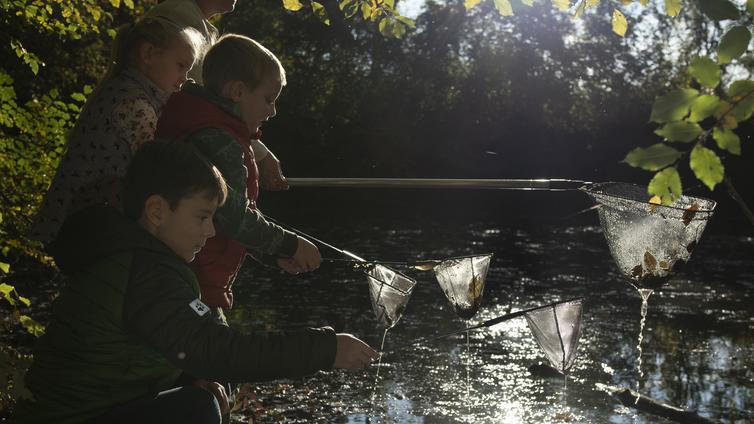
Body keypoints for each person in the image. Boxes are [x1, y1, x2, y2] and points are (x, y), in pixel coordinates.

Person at [14, 142, 378, 424]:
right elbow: (215, 350)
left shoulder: (136, 257)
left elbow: (183, 341)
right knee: (196, 409)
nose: (210, 230)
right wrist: (325, 349)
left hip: (95, 409)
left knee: (199, 395)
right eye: (202, 217)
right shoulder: (144, 271)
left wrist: (190, 375)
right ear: (157, 211)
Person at [155, 34, 319, 312]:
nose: (273, 111)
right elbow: (233, 216)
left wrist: (272, 253)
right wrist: (289, 245)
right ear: (238, 92)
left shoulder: (212, 128)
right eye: (268, 99)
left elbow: (229, 215)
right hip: (193, 280)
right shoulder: (219, 140)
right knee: (210, 348)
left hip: (191, 277)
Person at [29, 17, 203, 245]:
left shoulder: (123, 90)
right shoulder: (134, 105)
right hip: (88, 225)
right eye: (181, 66)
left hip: (79, 217)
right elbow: (154, 168)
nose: (184, 79)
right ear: (148, 54)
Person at [145, 0, 289, 191]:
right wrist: (259, 153)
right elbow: (206, 104)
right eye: (268, 100)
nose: (273, 111)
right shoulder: (179, 20)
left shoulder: (196, 23)